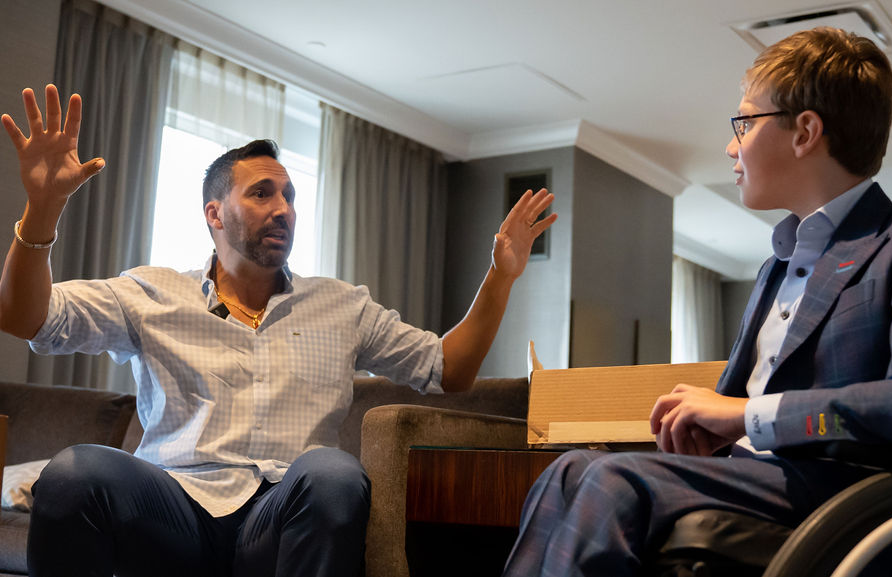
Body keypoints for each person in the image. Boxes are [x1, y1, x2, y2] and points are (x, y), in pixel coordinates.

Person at [0, 84, 556, 577]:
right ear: (215, 214)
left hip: (280, 517)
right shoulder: (152, 291)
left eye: (289, 196)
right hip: (171, 511)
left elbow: (449, 370)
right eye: (262, 193)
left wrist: (500, 277)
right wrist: (43, 208)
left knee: (334, 472)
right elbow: (25, 317)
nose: (284, 209)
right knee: (74, 471)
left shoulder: (342, 305)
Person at [502, 26, 892, 577]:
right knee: (568, 471)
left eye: (745, 123)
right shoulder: (775, 267)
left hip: (853, 499)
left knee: (613, 480)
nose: (732, 146)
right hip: (760, 482)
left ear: (805, 132)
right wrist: (708, 430)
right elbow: (734, 412)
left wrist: (746, 415)